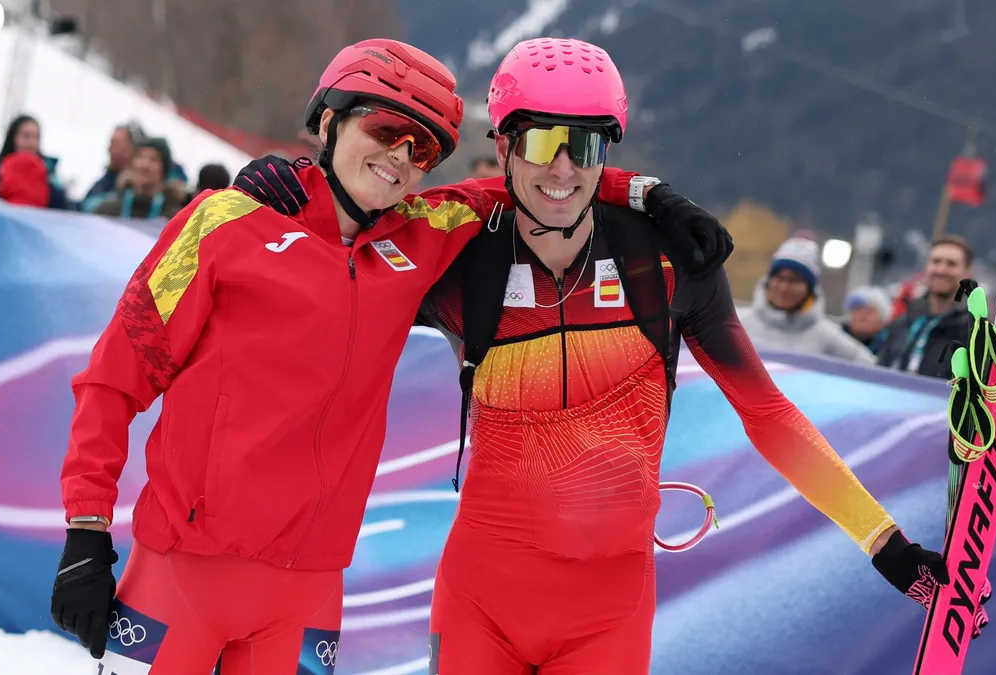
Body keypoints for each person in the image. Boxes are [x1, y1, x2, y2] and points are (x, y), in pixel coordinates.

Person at [49, 37, 722, 675]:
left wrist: (649, 193)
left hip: (306, 592)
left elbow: (538, 178)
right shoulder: (224, 223)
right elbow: (112, 381)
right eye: (382, 131)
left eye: (422, 148)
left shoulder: (421, 238)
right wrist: (86, 532)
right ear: (329, 121)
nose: (400, 157)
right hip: (183, 571)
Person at [406, 38, 965, 673]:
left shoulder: (667, 262)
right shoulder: (457, 257)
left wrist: (884, 543)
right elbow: (353, 240)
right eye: (538, 142)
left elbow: (768, 414)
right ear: (503, 145)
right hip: (481, 600)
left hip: (606, 614)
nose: (562, 168)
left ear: (607, 149)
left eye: (585, 145)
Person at [737, 236, 876, 364]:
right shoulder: (736, 325)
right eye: (779, 278)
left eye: (794, 280)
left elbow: (874, 372)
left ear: (810, 289)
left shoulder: (827, 337)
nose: (784, 287)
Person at [876, 235, 975, 378]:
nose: (941, 270)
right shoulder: (903, 323)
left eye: (951, 264)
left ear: (967, 273)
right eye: (936, 262)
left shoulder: (971, 334)